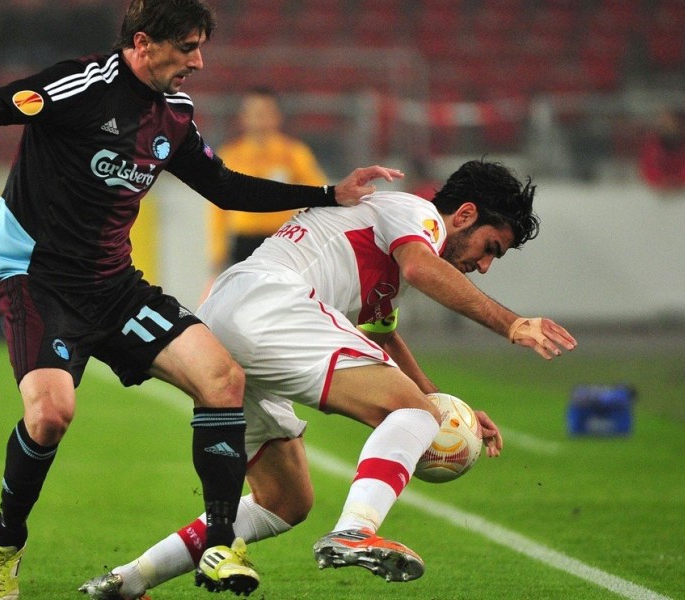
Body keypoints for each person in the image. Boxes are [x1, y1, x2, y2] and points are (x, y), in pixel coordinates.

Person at [0, 1, 401, 598]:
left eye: (201, 48)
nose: (199, 61)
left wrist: (327, 192)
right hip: (37, 279)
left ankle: (220, 546)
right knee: (49, 416)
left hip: (114, 286)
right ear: (144, 43)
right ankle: (3, 546)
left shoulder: (175, 114)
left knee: (222, 377)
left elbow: (221, 186)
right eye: (189, 48)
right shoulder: (81, 85)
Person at [78, 159, 577, 599]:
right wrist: (511, 323)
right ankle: (355, 531)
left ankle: (129, 580)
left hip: (229, 320)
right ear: (464, 215)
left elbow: (382, 339)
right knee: (409, 414)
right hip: (271, 304)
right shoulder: (416, 216)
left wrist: (443, 405)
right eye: (491, 248)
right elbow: (425, 270)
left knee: (285, 500)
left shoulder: (390, 248)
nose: (484, 266)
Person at [209, 88, 328, 274]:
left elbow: (319, 194)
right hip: (243, 242)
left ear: (277, 116)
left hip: (282, 240)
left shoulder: (293, 154)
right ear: (243, 117)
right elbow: (217, 208)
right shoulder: (230, 155)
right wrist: (217, 251)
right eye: (254, 113)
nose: (259, 118)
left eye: (265, 113)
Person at [637, 107, 685, 191]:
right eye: (664, 122)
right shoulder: (652, 145)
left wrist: (681, 180)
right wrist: (662, 180)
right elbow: (647, 168)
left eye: (671, 122)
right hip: (659, 193)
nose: (668, 126)